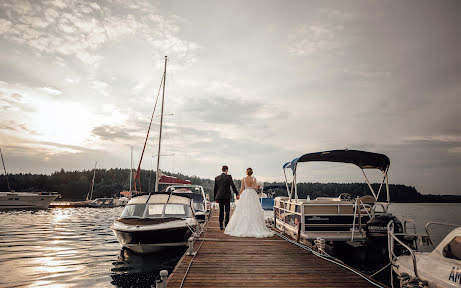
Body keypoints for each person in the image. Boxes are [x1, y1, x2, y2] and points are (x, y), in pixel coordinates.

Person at [224, 168, 274, 238]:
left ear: (246, 173)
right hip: (252, 194)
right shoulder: (254, 179)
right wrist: (258, 186)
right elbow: (256, 188)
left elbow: (241, 189)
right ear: (252, 173)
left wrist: (238, 195)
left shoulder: (244, 179)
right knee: (253, 209)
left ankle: (242, 226)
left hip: (246, 193)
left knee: (244, 209)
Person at [213, 165, 238, 230]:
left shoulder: (217, 178)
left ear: (222, 170)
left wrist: (215, 198)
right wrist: (237, 193)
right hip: (227, 196)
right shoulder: (228, 177)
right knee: (227, 210)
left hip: (219, 196)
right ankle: (226, 225)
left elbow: (215, 189)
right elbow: (233, 186)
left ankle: (221, 225)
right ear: (226, 170)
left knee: (221, 210)